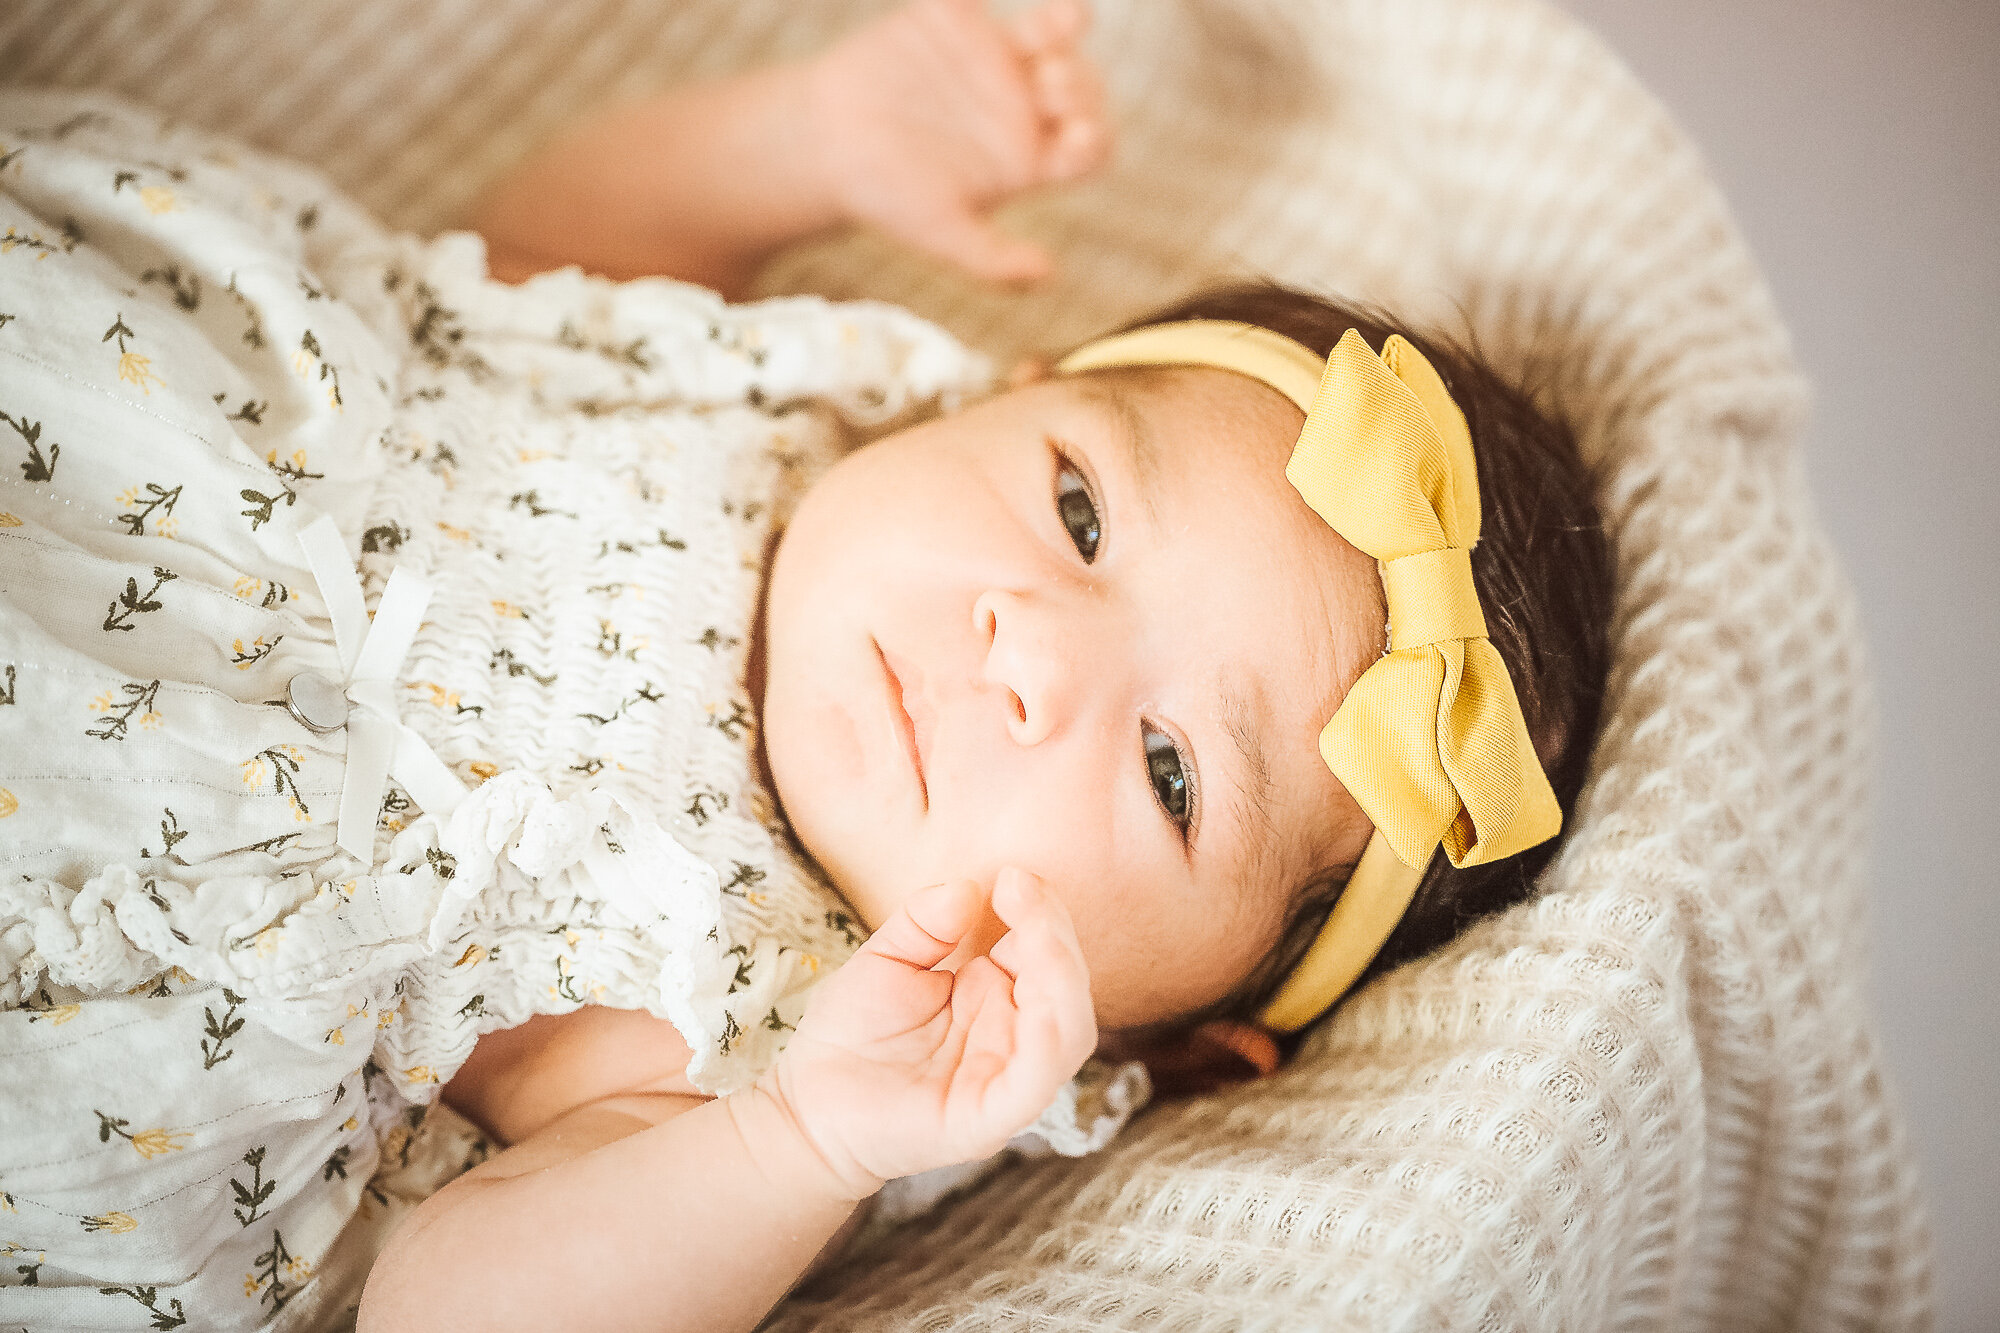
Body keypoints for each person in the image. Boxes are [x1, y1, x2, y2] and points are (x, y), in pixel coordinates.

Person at [0, 1, 1607, 1330]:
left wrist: (800, 1144)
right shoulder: (795, 404)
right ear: (1006, 387)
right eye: (1078, 508)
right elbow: (515, 262)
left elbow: (448, 1308)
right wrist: (809, 144)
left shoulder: (800, 1027)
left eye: (1170, 769)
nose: (1031, 647)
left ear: (1158, 1042)